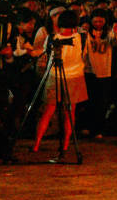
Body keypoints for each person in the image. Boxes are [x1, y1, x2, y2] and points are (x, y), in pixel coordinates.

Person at [30, 9, 88, 154]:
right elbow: (84, 55)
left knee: (48, 111)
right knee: (70, 112)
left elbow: (44, 53)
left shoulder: (51, 38)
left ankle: (36, 144)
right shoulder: (82, 37)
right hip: (75, 77)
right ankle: (66, 144)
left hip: (54, 76)